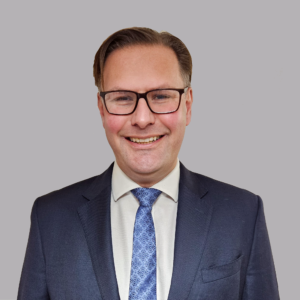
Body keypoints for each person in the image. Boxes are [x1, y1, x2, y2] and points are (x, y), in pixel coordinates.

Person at [17, 27, 280, 300]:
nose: (142, 119)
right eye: (122, 98)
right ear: (101, 108)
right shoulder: (49, 219)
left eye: (161, 96)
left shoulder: (243, 214)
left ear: (187, 105)